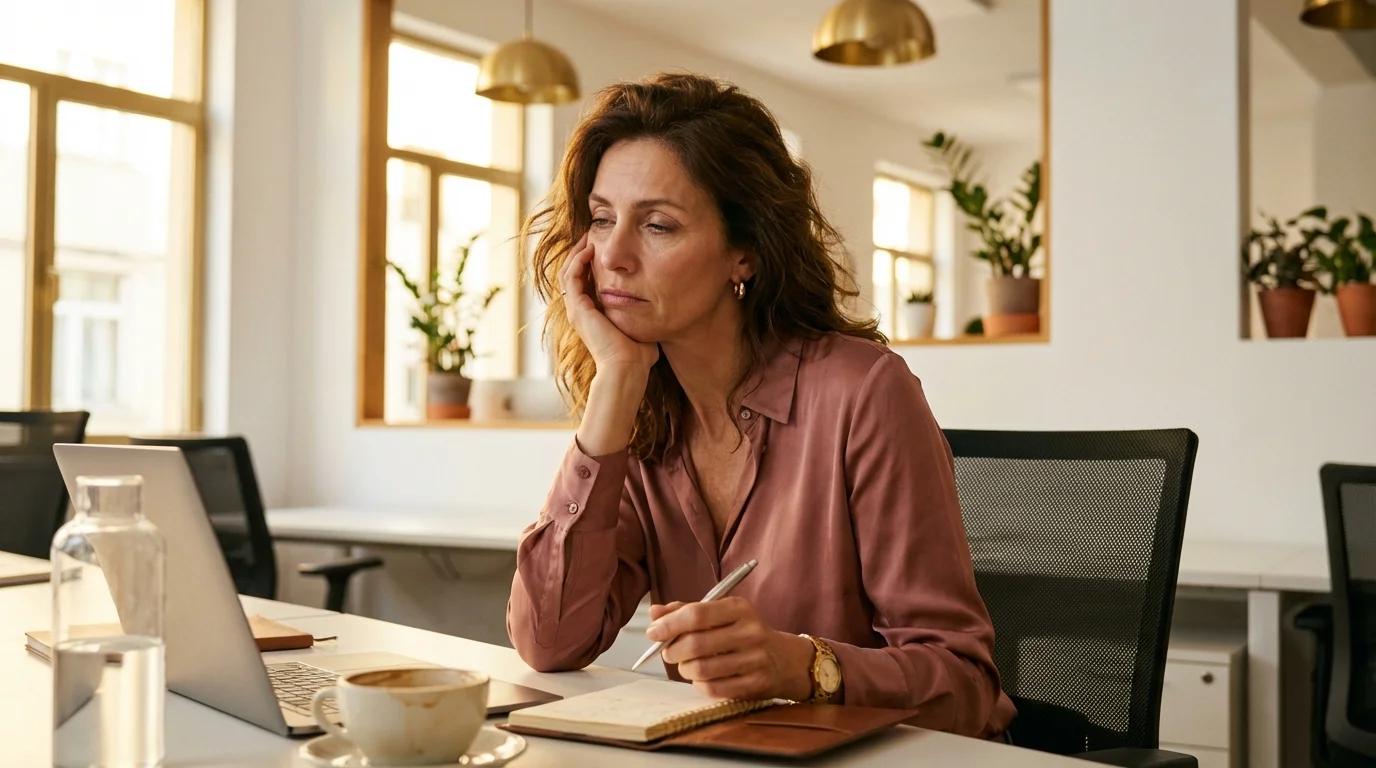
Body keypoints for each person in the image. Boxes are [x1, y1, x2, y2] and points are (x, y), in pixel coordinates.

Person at [507, 71, 1015, 740]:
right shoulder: (643, 410)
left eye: (658, 224)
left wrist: (808, 668)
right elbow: (549, 640)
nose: (615, 257)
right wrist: (613, 388)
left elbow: (965, 686)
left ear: (742, 253)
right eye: (602, 219)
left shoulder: (864, 393)